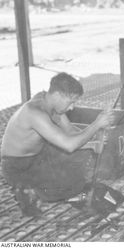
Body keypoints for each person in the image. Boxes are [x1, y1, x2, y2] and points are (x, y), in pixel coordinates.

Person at [0, 72, 111, 216]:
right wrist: (96, 125)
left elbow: (70, 131)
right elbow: (69, 145)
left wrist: (94, 141)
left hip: (38, 155)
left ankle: (39, 187)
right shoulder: (34, 113)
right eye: (71, 102)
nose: (72, 107)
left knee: (78, 163)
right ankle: (27, 190)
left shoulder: (48, 101)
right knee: (63, 188)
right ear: (58, 95)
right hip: (18, 167)